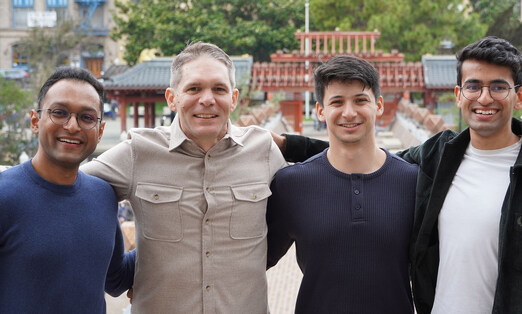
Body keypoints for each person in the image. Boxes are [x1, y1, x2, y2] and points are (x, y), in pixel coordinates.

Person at [275, 37, 522, 313]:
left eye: (498, 87)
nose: (484, 98)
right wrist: (289, 144)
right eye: (474, 86)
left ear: (521, 95)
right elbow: (363, 158)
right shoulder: (437, 159)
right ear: (459, 94)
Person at [82, 42, 286, 313]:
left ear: (234, 98)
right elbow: (70, 190)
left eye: (219, 89)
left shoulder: (264, 150)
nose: (207, 99)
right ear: (172, 97)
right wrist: (123, 267)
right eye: (193, 88)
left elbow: (300, 206)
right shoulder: (138, 152)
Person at [267, 55, 418, 313]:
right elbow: (252, 261)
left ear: (378, 105)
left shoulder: (413, 182)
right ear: (321, 110)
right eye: (337, 102)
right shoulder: (291, 184)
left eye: (360, 100)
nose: (349, 112)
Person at [0, 67, 135, 312]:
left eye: (87, 117)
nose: (72, 126)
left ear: (100, 131)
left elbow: (115, 279)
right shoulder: (5, 196)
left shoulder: (103, 195)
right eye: (59, 113)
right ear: (35, 121)